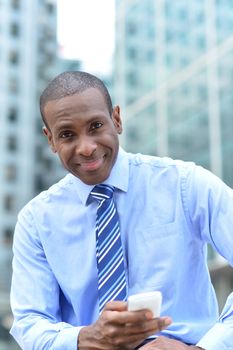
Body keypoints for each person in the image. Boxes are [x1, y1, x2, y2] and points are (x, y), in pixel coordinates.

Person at [10, 71, 233, 350]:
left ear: (116, 119)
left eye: (95, 126)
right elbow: (30, 321)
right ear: (51, 140)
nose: (87, 148)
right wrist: (88, 338)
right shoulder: (35, 221)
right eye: (67, 135)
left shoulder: (186, 185)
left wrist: (203, 349)